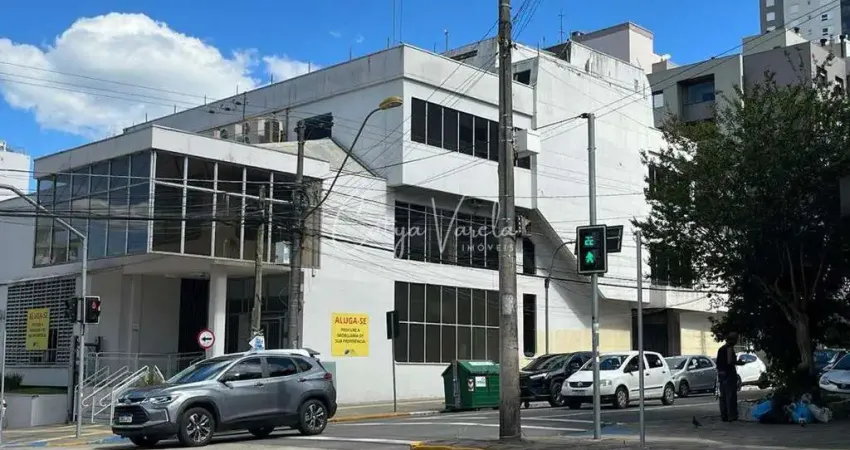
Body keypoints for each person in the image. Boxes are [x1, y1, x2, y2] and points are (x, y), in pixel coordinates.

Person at [716, 332, 746, 422]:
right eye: (736, 339)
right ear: (732, 340)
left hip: (721, 374)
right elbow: (729, 361)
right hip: (729, 374)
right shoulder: (729, 348)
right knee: (730, 395)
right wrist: (739, 362)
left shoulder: (721, 349)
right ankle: (731, 415)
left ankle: (724, 415)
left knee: (723, 396)